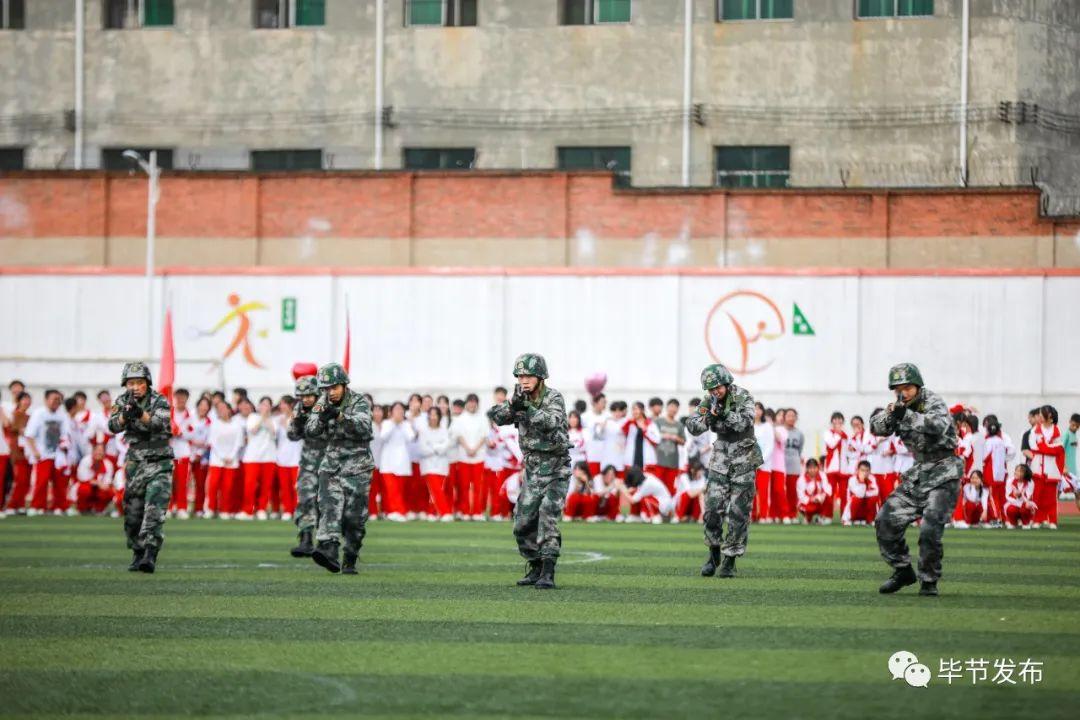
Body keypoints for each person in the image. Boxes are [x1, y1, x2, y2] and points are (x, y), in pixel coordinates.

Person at [869, 363, 963, 597]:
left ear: (918, 386)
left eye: (908, 388)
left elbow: (939, 425)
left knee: (930, 527)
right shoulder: (899, 406)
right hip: (920, 472)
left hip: (945, 470)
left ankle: (929, 581)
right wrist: (891, 415)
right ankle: (903, 570)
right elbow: (876, 428)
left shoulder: (932, 401)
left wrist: (906, 415)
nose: (904, 393)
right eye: (898, 389)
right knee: (885, 520)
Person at [488, 353, 572, 590]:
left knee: (548, 515)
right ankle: (535, 565)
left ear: (540, 377)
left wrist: (528, 408)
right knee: (522, 523)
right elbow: (497, 416)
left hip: (556, 467)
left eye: (529, 376)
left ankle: (548, 571)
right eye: (520, 376)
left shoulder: (553, 397)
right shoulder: (519, 397)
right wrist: (512, 406)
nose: (524, 380)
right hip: (533, 469)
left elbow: (553, 421)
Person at [685, 363, 763, 579]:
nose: (714, 392)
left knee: (739, 512)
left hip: (744, 457)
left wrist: (725, 414)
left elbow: (745, 422)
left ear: (726, 383)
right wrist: (709, 417)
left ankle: (730, 560)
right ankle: (713, 554)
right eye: (711, 390)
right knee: (711, 509)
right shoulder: (709, 401)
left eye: (717, 388)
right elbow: (692, 426)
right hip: (720, 458)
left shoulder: (743, 396)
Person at [305, 363, 375, 575]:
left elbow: (364, 427)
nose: (330, 392)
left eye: (334, 387)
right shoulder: (322, 402)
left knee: (354, 519)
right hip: (332, 465)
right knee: (329, 506)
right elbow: (310, 429)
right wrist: (321, 420)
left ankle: (350, 556)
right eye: (326, 388)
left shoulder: (359, 401)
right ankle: (330, 550)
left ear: (344, 385)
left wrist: (339, 416)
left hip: (358, 467)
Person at [107, 363, 174, 573]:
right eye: (131, 383)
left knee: (154, 509)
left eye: (139, 383)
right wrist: (124, 416)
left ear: (147, 383)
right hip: (135, 464)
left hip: (160, 462)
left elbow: (158, 423)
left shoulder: (159, 400)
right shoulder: (121, 401)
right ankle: (137, 552)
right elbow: (112, 427)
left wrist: (139, 413)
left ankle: (150, 554)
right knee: (133, 514)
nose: (135, 387)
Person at [288, 376, 326, 556]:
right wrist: (297, 424)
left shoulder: (327, 408)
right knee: (305, 499)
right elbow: (292, 435)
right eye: (302, 396)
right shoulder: (299, 409)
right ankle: (305, 539)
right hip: (308, 463)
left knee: (326, 504)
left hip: (328, 463)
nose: (306, 399)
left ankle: (326, 543)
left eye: (309, 395)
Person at [24, 389, 72, 515]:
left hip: (59, 455)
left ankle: (60, 507)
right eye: (53, 399)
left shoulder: (63, 415)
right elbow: (29, 435)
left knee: (60, 482)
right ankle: (37, 506)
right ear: (46, 400)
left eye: (58, 399)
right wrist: (34, 451)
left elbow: (66, 434)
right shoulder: (39, 413)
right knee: (42, 481)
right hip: (43, 453)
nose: (56, 402)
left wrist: (65, 447)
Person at [450, 394, 487, 520]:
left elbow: (484, 436)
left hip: (479, 457)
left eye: (474, 402)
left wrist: (475, 449)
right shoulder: (460, 419)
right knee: (464, 486)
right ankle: (464, 511)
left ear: (477, 404)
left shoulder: (482, 418)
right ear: (466, 404)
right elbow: (458, 436)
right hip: (463, 456)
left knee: (477, 486)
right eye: (470, 402)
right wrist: (467, 448)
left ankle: (477, 512)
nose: (472, 404)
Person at [241, 397, 278, 520]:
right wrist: (262, 417)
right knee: (249, 485)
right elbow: (253, 430)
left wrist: (267, 418)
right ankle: (248, 510)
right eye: (263, 404)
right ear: (259, 406)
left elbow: (274, 433)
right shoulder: (252, 417)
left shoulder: (274, 420)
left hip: (269, 457)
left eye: (267, 405)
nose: (265, 407)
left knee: (265, 486)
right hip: (252, 457)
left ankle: (261, 509)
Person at [378, 402, 414, 522]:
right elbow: (383, 437)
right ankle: (398, 511)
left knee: (399, 489)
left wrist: (402, 424)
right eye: (396, 409)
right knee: (391, 489)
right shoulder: (386, 423)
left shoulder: (407, 425)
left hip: (402, 461)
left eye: (401, 410)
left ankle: (396, 511)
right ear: (391, 412)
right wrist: (394, 423)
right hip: (388, 462)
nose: (399, 412)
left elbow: (411, 438)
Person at [206, 401, 242, 519]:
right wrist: (222, 456)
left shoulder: (236, 424)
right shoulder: (215, 424)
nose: (221, 411)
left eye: (223, 408)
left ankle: (225, 510)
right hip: (217, 460)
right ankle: (211, 509)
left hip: (231, 460)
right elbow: (213, 442)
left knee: (228, 487)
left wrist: (231, 456)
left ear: (229, 409)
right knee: (213, 485)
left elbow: (238, 442)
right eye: (219, 409)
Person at [417, 406, 454, 521]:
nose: (433, 417)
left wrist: (433, 446)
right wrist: (437, 447)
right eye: (431, 415)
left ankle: (432, 512)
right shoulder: (423, 431)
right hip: (428, 466)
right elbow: (422, 449)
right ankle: (445, 512)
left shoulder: (444, 430)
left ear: (439, 417)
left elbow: (447, 446)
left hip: (441, 465)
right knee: (436, 490)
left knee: (436, 491)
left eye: (435, 415)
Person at [1029, 405, 1063, 529]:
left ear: (1049, 416)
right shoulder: (1035, 430)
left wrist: (1045, 447)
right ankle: (1037, 519)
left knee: (1051, 497)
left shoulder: (1056, 430)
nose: (1040, 417)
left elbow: (1058, 449)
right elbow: (1034, 447)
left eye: (1042, 415)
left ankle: (1052, 520)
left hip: (1051, 467)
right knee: (1037, 495)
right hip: (1037, 467)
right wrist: (1048, 447)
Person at [274, 396, 300, 522]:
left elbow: (297, 435)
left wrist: (286, 426)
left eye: (283, 404)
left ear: (290, 405)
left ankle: (298, 510)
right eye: (280, 404)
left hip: (296, 459)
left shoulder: (298, 418)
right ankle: (287, 510)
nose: (281, 406)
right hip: (282, 459)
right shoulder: (278, 419)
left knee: (296, 487)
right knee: (284, 488)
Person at [655, 399, 686, 496]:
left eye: (676, 407)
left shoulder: (679, 425)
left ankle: (668, 510)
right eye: (671, 406)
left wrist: (676, 438)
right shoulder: (658, 422)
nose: (673, 409)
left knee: (670, 488)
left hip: (672, 463)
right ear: (667, 407)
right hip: (658, 461)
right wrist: (663, 435)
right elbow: (651, 435)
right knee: (657, 486)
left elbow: (683, 441)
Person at [782, 409, 804, 523]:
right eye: (789, 415)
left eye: (793, 416)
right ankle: (784, 514)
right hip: (782, 466)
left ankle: (792, 515)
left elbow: (799, 450)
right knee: (782, 492)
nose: (791, 418)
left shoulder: (799, 433)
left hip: (794, 466)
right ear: (784, 417)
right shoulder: (781, 431)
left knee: (792, 493)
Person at [842, 460, 879, 526]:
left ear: (870, 471)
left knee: (874, 498)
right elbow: (860, 495)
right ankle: (850, 519)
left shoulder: (872, 478)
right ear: (858, 470)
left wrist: (866, 494)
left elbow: (876, 492)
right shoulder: (852, 480)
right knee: (856, 498)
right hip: (854, 508)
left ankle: (869, 520)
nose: (864, 473)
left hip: (865, 506)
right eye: (862, 470)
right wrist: (862, 482)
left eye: (867, 470)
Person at [795, 458, 831, 524]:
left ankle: (824, 517)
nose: (812, 470)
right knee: (804, 507)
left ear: (818, 468)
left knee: (828, 498)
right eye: (810, 468)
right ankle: (808, 517)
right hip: (808, 503)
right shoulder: (801, 479)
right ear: (807, 469)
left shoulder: (822, 475)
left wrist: (821, 497)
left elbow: (828, 489)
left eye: (814, 468)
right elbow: (800, 496)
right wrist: (811, 499)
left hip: (819, 501)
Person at [672, 459, 707, 524]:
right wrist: (703, 488)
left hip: (694, 502)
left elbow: (701, 494)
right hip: (679, 503)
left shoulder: (702, 478)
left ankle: (698, 516)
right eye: (699, 471)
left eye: (702, 471)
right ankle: (679, 516)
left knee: (700, 494)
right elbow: (689, 494)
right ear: (692, 470)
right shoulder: (684, 477)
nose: (701, 473)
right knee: (687, 495)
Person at [1004, 464, 1038, 529]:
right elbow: (1008, 497)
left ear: (1025, 474)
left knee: (1026, 507)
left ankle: (1026, 523)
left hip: (1025, 504)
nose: (1016, 473)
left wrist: (1020, 495)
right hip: (1015, 503)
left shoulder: (1030, 482)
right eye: (1016, 470)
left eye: (1020, 471)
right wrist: (1019, 502)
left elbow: (1028, 498)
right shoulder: (1010, 481)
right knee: (1010, 509)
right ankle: (1013, 523)